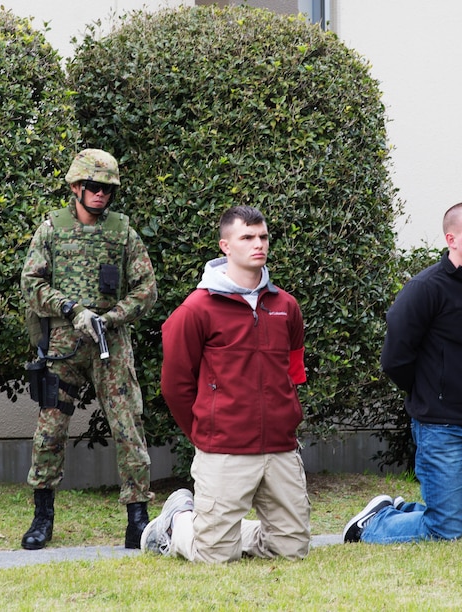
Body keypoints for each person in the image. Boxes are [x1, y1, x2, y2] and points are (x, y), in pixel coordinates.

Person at [142, 205, 310, 563]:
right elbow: (175, 386)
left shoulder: (286, 306)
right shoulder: (197, 309)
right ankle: (175, 524)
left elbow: (294, 373)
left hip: (280, 447)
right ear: (225, 246)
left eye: (263, 236)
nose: (258, 244)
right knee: (214, 556)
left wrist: (285, 418)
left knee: (291, 551)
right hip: (224, 448)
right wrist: (207, 431)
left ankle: (226, 531)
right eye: (247, 237)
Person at [344, 201, 462, 544]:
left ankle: (412, 512)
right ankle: (376, 523)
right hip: (443, 428)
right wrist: (431, 394)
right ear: (451, 239)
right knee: (447, 532)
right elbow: (395, 359)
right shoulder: (425, 289)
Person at [20, 148, 157, 550]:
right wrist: (70, 309)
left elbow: (147, 289)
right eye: (94, 187)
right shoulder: (51, 229)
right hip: (63, 343)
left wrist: (113, 316)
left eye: (107, 189)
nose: (101, 195)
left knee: (128, 426)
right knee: (50, 430)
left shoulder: (122, 232)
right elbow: (32, 283)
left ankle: (137, 517)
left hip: (109, 342)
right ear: (76, 187)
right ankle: (42, 517)